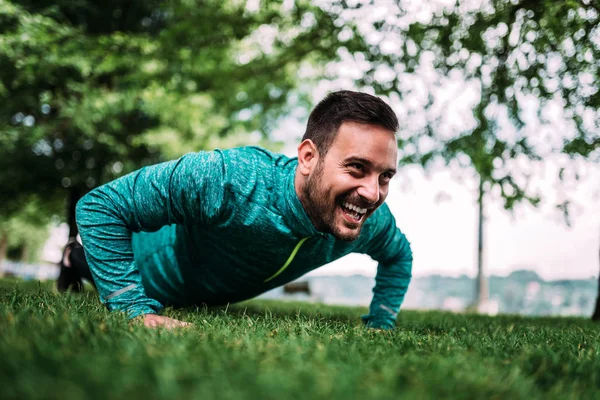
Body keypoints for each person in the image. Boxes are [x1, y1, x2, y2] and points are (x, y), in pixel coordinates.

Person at [58, 90, 413, 330]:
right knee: (87, 259)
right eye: (356, 168)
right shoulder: (231, 179)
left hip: (211, 292)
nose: (372, 192)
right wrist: (134, 308)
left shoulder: (367, 219)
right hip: (150, 268)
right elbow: (101, 206)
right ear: (308, 157)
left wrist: (381, 321)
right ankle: (73, 257)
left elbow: (399, 256)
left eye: (385, 176)